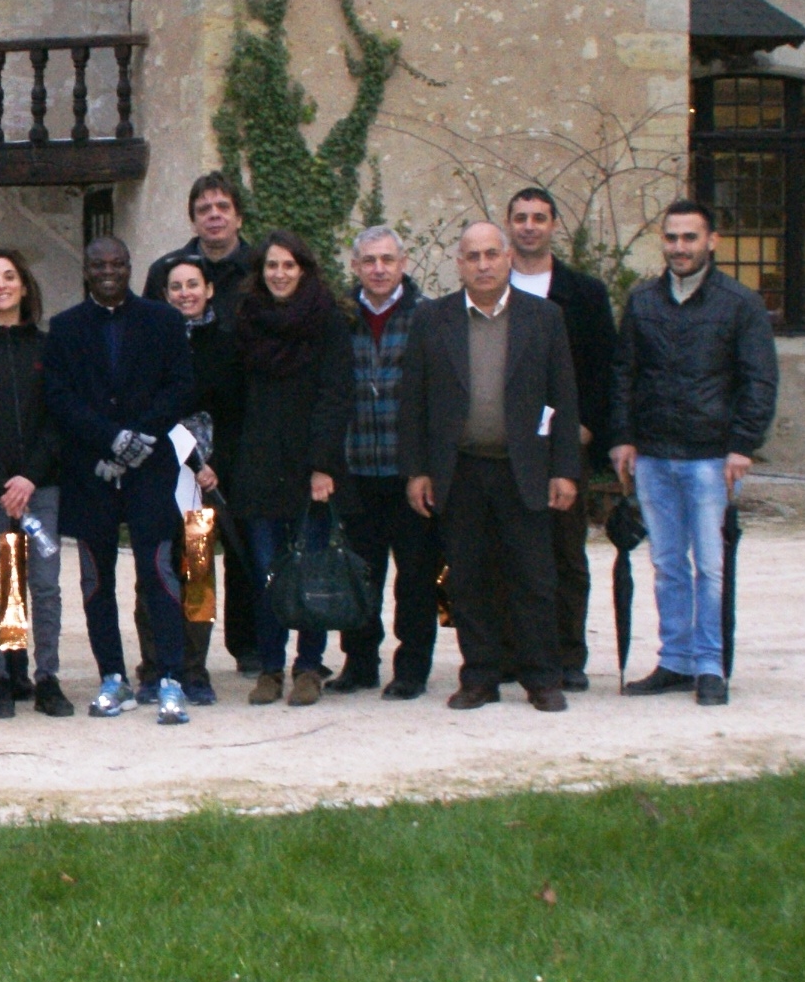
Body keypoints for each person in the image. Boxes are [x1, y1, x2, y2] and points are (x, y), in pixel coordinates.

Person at [402, 221, 585, 711]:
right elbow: (414, 400)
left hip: (523, 469)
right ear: (459, 265)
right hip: (459, 470)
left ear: (507, 259)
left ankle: (542, 677)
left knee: (534, 579)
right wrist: (418, 470)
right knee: (466, 579)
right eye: (472, 256)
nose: (482, 265)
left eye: (490, 254)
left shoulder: (543, 317)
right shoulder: (432, 319)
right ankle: (479, 676)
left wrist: (564, 469)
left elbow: (564, 395)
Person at [609, 200, 779, 707]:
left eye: (689, 237)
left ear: (712, 241)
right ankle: (676, 660)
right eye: (672, 238)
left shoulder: (740, 304)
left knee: (710, 565)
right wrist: (623, 437)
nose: (680, 247)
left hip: (710, 457)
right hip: (654, 455)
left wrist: (742, 444)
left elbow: (759, 380)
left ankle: (709, 665)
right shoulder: (643, 301)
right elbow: (624, 373)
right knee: (667, 564)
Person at [43, 235, 199, 720]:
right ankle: (112, 675)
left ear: (129, 267)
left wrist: (140, 437)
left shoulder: (164, 320)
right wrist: (110, 439)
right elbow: (59, 397)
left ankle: (170, 676)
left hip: (151, 470)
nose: (108, 271)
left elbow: (180, 386)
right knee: (96, 579)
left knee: (158, 571)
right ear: (86, 270)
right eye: (98, 264)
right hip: (92, 471)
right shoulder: (65, 327)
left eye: (117, 264)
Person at [225, 230, 353, 708]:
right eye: (271, 266)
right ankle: (270, 668)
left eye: (288, 266)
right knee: (267, 573)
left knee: (311, 570)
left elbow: (336, 395)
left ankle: (308, 667)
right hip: (259, 465)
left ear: (304, 270)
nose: (279, 274)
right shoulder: (246, 320)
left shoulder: (327, 321)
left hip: (309, 467)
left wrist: (322, 465)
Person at [505, 186, 620, 692]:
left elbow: (604, 367)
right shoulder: (489, 286)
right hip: (502, 442)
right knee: (504, 552)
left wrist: (587, 426)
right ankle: (510, 652)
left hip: (562, 444)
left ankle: (568, 653)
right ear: (509, 224)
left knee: (565, 555)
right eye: (521, 218)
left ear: (554, 225)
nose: (529, 226)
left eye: (539, 217)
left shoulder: (584, 294)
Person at [0, 249, 69, 718]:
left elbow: (59, 416)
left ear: (23, 286)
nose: (1, 285)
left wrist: (29, 477)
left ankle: (47, 678)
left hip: (41, 487)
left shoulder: (50, 348)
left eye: (9, 277)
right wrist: (4, 481)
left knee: (43, 583)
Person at [333, 225, 441, 699]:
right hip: (356, 467)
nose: (378, 269)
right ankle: (359, 663)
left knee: (416, 578)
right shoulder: (339, 317)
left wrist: (428, 466)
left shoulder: (429, 316)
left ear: (403, 263)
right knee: (360, 575)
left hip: (409, 471)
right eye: (369, 261)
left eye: (387, 260)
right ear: (355, 266)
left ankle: (412, 669)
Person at [156, 258, 252, 695]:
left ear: (209, 289)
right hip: (161, 472)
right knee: (157, 570)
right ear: (165, 295)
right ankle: (157, 664)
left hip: (206, 476)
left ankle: (194, 668)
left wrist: (216, 465)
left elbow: (236, 413)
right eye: (176, 287)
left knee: (198, 571)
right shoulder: (154, 342)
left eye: (192, 285)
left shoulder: (228, 343)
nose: (185, 294)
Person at [141, 171, 258, 307]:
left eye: (223, 207)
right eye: (204, 209)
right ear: (193, 223)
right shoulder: (162, 273)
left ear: (239, 219)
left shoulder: (259, 270)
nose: (214, 214)